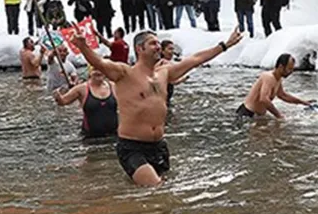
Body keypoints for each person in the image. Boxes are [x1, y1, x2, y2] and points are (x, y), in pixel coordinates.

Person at [71, 28, 244, 187]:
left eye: (158, 43)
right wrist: (83, 46)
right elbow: (100, 63)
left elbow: (196, 59)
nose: (158, 47)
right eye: (153, 43)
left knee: (159, 193)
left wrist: (225, 45)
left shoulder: (164, 73)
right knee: (157, 190)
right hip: (132, 147)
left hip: (159, 146)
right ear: (140, 49)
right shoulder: (124, 73)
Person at [236, 53, 314, 120]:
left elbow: (282, 95)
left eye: (292, 69)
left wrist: (302, 102)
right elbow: (264, 99)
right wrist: (278, 115)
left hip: (256, 116)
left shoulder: (278, 78)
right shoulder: (268, 77)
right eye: (289, 69)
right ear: (280, 67)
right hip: (247, 115)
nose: (291, 72)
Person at [53, 66, 118, 139]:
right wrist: (58, 97)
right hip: (91, 137)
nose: (99, 72)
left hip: (113, 135)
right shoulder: (81, 89)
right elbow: (63, 101)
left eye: (101, 69)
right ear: (90, 72)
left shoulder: (113, 86)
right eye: (95, 69)